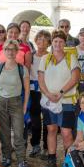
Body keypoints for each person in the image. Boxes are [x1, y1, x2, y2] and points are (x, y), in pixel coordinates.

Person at [38, 30, 80, 167]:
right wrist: (48, 94)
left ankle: (69, 161)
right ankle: (52, 159)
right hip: (48, 101)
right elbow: (41, 80)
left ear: (64, 43)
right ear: (52, 43)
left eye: (61, 41)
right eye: (55, 41)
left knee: (66, 132)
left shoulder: (71, 58)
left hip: (66, 101)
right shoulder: (45, 59)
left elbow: (75, 78)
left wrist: (60, 93)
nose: (58, 44)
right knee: (51, 129)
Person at [0, 40, 32, 167]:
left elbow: (27, 90)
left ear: (17, 51)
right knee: (4, 133)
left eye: (13, 49)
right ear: (4, 51)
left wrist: (25, 106)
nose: (10, 52)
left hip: (16, 103)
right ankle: (7, 157)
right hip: (1, 102)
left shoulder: (22, 69)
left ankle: (21, 162)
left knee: (19, 133)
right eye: (7, 49)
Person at [28, 30, 51, 158]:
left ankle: (47, 148)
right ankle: (35, 145)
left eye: (44, 39)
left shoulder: (50, 56)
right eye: (39, 39)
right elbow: (27, 73)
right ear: (35, 40)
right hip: (34, 91)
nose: (41, 41)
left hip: (47, 90)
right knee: (35, 121)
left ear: (48, 43)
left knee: (47, 121)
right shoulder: (30, 55)